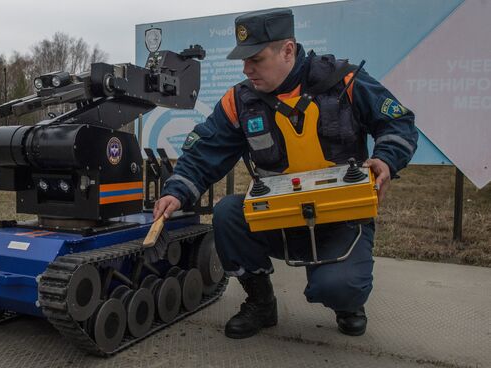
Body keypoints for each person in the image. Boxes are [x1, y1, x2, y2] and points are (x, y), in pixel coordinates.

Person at [153, 8, 418, 338]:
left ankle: (347, 303)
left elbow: (398, 123)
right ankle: (261, 303)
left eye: (257, 59)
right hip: (277, 216)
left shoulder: (344, 82)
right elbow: (206, 150)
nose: (247, 69)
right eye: (243, 61)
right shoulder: (240, 100)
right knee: (228, 214)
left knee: (338, 287)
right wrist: (174, 191)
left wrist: (387, 159)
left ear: (288, 50)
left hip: (341, 216)